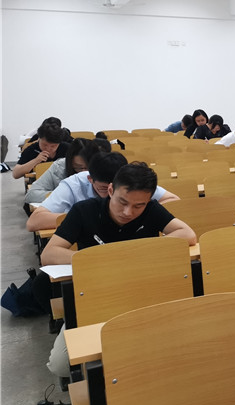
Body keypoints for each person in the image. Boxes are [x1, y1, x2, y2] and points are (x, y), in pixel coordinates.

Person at [42, 162, 196, 379]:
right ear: (111, 190)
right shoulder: (84, 210)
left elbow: (188, 234)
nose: (128, 212)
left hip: (144, 294)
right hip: (95, 296)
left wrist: (136, 252)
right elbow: (49, 253)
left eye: (138, 206)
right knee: (61, 365)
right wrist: (98, 259)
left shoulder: (151, 209)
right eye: (122, 202)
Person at [26, 151, 179, 232]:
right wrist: (84, 218)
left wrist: (139, 212)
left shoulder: (130, 183)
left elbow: (173, 200)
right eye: (104, 189)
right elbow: (34, 222)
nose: (109, 195)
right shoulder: (73, 184)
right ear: (90, 179)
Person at [24, 138, 109, 206]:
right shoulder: (60, 167)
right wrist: (64, 195)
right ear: (70, 163)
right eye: (79, 167)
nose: (84, 172)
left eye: (88, 168)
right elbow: (31, 195)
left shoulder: (105, 167)